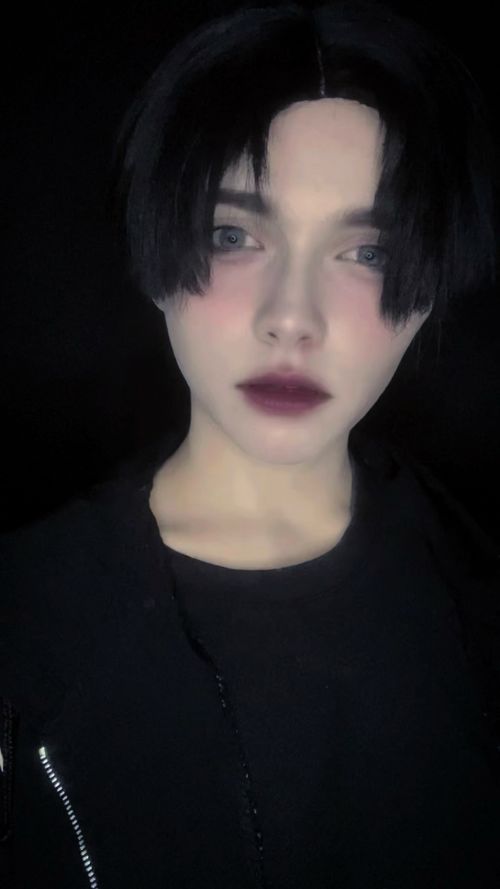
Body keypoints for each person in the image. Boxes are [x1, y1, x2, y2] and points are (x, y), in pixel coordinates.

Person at [1, 2, 499, 887]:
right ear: (157, 252)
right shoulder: (27, 625)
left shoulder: (478, 592)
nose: (291, 318)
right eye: (233, 235)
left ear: (427, 291)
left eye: (369, 253)